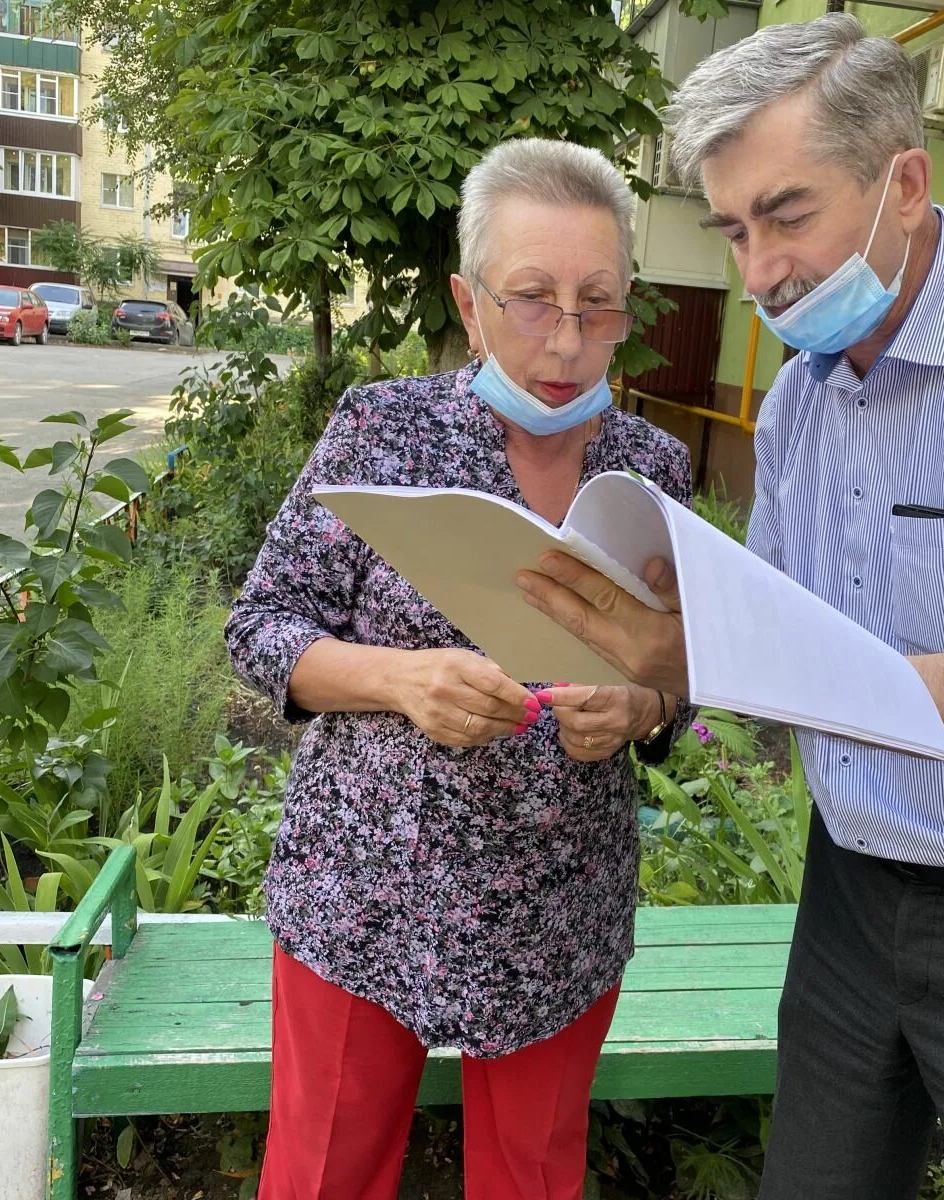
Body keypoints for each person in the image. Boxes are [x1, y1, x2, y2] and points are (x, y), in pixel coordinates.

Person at [514, 14, 944, 1200]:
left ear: (905, 184)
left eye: (788, 215)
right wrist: (648, 677)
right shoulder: (804, 402)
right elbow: (781, 632)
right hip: (853, 898)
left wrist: (709, 652)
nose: (759, 273)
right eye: (731, 229)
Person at [225, 137, 690, 1200]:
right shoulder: (379, 430)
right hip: (364, 887)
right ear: (469, 303)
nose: (566, 339)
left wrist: (642, 706)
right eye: (531, 298)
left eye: (598, 303)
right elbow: (263, 624)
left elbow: (685, 674)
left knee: (532, 1181)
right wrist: (399, 680)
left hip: (558, 903)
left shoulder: (650, 470)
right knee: (322, 1173)